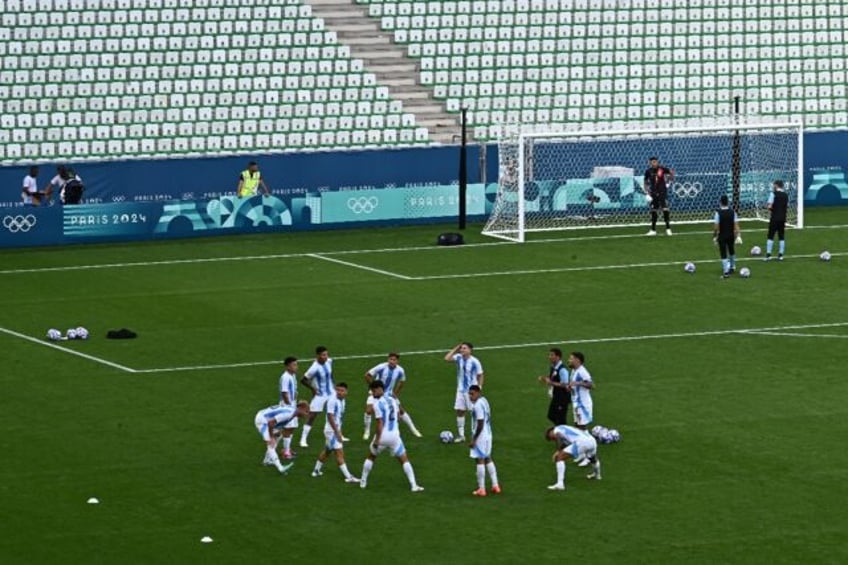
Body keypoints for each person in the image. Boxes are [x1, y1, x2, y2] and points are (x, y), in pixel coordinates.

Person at [359, 380, 424, 492]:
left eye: (374, 391)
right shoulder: (393, 400)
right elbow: (399, 416)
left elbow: (379, 424)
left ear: (380, 389)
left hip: (383, 437)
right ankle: (414, 485)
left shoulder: (377, 404)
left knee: (371, 457)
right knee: (404, 460)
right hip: (394, 437)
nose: (373, 393)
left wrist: (377, 440)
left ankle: (363, 481)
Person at [363, 352, 422, 440]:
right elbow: (367, 375)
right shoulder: (381, 367)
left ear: (397, 361)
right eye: (390, 359)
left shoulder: (400, 370)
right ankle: (367, 431)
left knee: (401, 411)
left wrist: (396, 394)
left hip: (388, 394)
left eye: (394, 360)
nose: (391, 361)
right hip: (376, 394)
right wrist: (374, 388)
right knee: (368, 411)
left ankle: (414, 429)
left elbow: (402, 381)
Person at [311, 382, 360, 483]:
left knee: (327, 451)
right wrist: (337, 432)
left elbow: (339, 418)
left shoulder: (342, 401)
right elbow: (330, 417)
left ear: (346, 392)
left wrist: (340, 431)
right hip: (331, 431)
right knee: (339, 453)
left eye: (342, 390)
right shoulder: (332, 401)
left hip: (334, 430)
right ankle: (348, 477)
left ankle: (316, 470)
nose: (339, 392)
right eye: (337, 390)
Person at [444, 342, 485, 443]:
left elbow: (481, 375)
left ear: (470, 350)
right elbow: (447, 358)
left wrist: (479, 388)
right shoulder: (458, 357)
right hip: (460, 390)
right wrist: (456, 348)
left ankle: (478, 434)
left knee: (475, 413)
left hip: (471, 391)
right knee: (460, 411)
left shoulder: (475, 361)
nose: (462, 350)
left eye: (464, 348)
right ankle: (461, 435)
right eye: (461, 348)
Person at [254, 400, 310, 474]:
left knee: (278, 436)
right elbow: (271, 423)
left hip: (266, 418)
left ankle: (267, 461)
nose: (307, 415)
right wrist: (271, 437)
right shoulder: (289, 413)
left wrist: (275, 433)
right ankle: (280, 468)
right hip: (262, 420)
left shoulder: (292, 411)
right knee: (271, 443)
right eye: (306, 411)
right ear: (301, 408)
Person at [299, 346, 336, 448]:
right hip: (320, 394)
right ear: (318, 356)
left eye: (327, 354)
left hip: (331, 393)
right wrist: (313, 389)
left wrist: (333, 385)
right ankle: (303, 439)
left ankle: (338, 434)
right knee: (312, 416)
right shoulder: (314, 368)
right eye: (323, 355)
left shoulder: (329, 361)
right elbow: (303, 380)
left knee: (335, 412)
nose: (326, 357)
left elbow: (331, 373)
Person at [467, 385, 501, 496]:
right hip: (488, 434)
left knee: (479, 460)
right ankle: (495, 485)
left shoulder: (477, 406)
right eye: (469, 394)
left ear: (478, 393)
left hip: (481, 436)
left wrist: (474, 439)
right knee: (488, 458)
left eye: (472, 394)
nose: (470, 396)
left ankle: (481, 489)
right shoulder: (484, 401)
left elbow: (480, 424)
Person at [545, 425, 602, 490]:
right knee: (592, 459)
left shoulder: (556, 430)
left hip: (581, 442)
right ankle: (597, 475)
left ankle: (560, 484)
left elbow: (558, 436)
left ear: (551, 432)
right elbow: (565, 443)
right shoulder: (563, 427)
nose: (553, 439)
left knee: (559, 457)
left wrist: (558, 451)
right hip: (591, 440)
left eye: (551, 438)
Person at [538, 347, 570, 426]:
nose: (550, 357)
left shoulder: (562, 370)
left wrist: (551, 383)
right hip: (556, 396)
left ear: (558, 357)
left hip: (562, 398)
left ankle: (563, 432)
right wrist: (544, 379)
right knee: (551, 415)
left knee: (561, 418)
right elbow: (552, 378)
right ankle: (559, 429)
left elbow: (565, 384)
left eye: (552, 355)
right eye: (549, 355)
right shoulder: (553, 367)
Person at [643, 156, 674, 236]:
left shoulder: (662, 169)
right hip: (653, 192)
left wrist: (669, 182)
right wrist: (647, 192)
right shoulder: (648, 171)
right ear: (650, 163)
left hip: (662, 191)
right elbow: (645, 182)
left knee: (664, 208)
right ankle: (653, 230)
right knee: (654, 210)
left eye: (655, 161)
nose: (654, 163)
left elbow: (671, 173)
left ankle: (668, 229)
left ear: (657, 162)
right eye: (652, 162)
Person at [713, 194, 742, 278]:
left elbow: (716, 227)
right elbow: (736, 225)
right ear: (728, 202)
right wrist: (739, 235)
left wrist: (715, 236)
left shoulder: (718, 213)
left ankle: (726, 272)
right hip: (731, 235)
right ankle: (732, 267)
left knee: (723, 252)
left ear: (720, 202)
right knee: (731, 250)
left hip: (722, 235)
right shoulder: (733, 212)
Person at [567, 351, 594, 436]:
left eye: (571, 358)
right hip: (576, 403)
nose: (569, 360)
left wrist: (578, 383)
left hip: (582, 404)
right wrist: (570, 387)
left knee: (581, 427)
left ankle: (590, 444)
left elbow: (591, 385)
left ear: (577, 360)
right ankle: (582, 444)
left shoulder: (582, 371)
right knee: (577, 426)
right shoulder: (573, 371)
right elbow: (574, 385)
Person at [278, 356, 299, 460]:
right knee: (287, 428)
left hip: (292, 404)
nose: (296, 367)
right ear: (287, 366)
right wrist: (290, 406)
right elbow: (284, 393)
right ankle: (286, 452)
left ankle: (287, 449)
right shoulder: (286, 377)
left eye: (296, 364)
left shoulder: (293, 375)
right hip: (287, 406)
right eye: (294, 365)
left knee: (292, 427)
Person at [764, 179, 788, 261]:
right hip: (783, 218)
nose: (773, 186)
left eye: (774, 185)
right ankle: (781, 255)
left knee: (770, 236)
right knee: (781, 236)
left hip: (774, 218)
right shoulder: (785, 195)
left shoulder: (773, 194)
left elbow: (769, 206)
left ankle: (768, 255)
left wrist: (772, 210)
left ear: (777, 185)